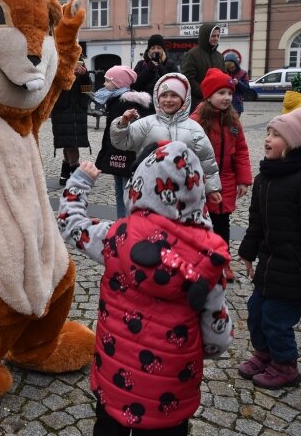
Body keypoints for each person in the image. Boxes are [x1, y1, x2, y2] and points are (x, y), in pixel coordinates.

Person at [58, 142, 232, 436]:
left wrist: (80, 180)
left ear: (139, 187)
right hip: (171, 390)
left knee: (108, 428)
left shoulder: (119, 237)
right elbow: (217, 335)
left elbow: (72, 224)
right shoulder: (208, 257)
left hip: (114, 377)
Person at [237, 106, 301, 389]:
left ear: (295, 144)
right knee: (256, 310)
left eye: (276, 134)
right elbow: (255, 222)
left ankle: (285, 365)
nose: (267, 138)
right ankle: (265, 354)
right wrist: (247, 253)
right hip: (270, 267)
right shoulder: (264, 178)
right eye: (267, 132)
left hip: (297, 269)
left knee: (275, 319)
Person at [110, 72, 222, 203]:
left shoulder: (194, 129)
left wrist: (212, 188)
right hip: (149, 187)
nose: (168, 100)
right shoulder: (146, 124)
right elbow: (122, 142)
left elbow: (206, 160)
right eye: (164, 95)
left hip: (184, 191)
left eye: (174, 95)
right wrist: (122, 124)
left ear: (184, 99)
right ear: (157, 98)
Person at [191, 68, 252, 281]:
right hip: (201, 182)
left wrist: (243, 179)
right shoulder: (196, 120)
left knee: (222, 224)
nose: (227, 97)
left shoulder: (233, 120)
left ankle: (223, 262)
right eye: (221, 93)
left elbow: (242, 149)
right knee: (201, 224)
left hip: (226, 180)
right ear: (209, 96)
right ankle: (202, 261)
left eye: (229, 93)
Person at [94, 65, 151, 218]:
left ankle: (126, 221)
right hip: (116, 151)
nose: (105, 84)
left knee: (126, 189)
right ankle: (121, 220)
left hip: (126, 153)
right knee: (119, 188)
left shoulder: (125, 101)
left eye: (108, 81)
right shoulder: (115, 99)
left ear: (119, 83)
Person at [51, 58, 92, 185]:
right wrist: (71, 74)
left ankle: (65, 173)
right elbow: (57, 88)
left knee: (69, 142)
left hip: (78, 111)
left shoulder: (83, 73)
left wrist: (84, 75)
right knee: (70, 142)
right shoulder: (59, 69)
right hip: (62, 111)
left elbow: (87, 90)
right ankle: (74, 172)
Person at [180, 23, 226, 111]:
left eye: (218, 36)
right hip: (199, 103)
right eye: (213, 36)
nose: (216, 38)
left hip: (217, 103)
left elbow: (224, 76)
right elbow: (188, 78)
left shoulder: (219, 56)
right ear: (205, 36)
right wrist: (206, 93)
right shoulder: (192, 54)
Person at [131, 34, 178, 103]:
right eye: (153, 48)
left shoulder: (170, 64)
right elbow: (134, 86)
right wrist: (148, 69)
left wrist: (161, 68)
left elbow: (176, 84)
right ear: (148, 50)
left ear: (163, 50)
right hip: (145, 104)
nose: (156, 50)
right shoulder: (141, 64)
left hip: (165, 102)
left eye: (159, 48)